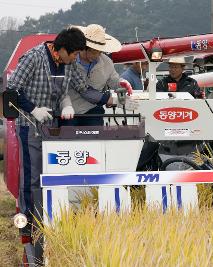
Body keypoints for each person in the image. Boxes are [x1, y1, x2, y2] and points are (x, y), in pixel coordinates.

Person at [6, 27, 87, 265]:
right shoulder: (34, 57)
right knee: (31, 177)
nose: (75, 59)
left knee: (49, 175)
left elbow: (68, 90)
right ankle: (28, 225)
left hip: (51, 127)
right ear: (62, 49)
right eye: (73, 55)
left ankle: (47, 218)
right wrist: (33, 109)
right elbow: (12, 91)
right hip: (29, 125)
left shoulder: (68, 64)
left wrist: (66, 103)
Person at [65, 24, 136, 126]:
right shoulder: (70, 61)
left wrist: (122, 83)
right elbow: (85, 91)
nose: (98, 55)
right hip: (68, 109)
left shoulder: (106, 62)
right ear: (84, 48)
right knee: (68, 139)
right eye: (94, 51)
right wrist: (113, 100)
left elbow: (113, 80)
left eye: (100, 51)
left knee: (97, 137)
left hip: (93, 109)